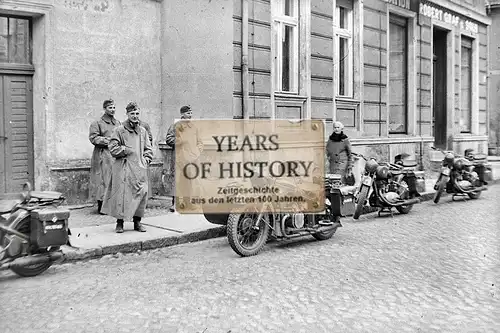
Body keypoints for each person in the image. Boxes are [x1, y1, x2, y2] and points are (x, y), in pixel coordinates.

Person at [101, 102, 153, 233]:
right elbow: (112, 148)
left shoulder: (143, 131)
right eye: (132, 114)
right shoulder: (119, 130)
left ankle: (137, 222)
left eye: (137, 114)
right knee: (122, 195)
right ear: (127, 114)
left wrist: (146, 159)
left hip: (139, 169)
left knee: (141, 194)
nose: (135, 116)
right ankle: (120, 223)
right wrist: (124, 150)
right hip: (123, 168)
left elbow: (148, 148)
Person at [165, 105, 203, 213]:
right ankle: (175, 203)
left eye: (191, 113)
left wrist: (197, 152)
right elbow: (168, 139)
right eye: (188, 113)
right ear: (182, 115)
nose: (190, 115)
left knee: (190, 182)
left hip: (191, 159)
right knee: (177, 181)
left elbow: (200, 142)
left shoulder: (194, 127)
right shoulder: (175, 126)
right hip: (179, 158)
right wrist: (179, 141)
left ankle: (189, 203)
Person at [88, 99, 121, 214]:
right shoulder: (97, 123)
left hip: (115, 155)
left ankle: (112, 204)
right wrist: (109, 141)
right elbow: (93, 138)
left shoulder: (118, 123)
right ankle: (101, 206)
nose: (112, 110)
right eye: (110, 108)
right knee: (103, 180)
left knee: (115, 179)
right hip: (103, 155)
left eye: (113, 107)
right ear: (104, 109)